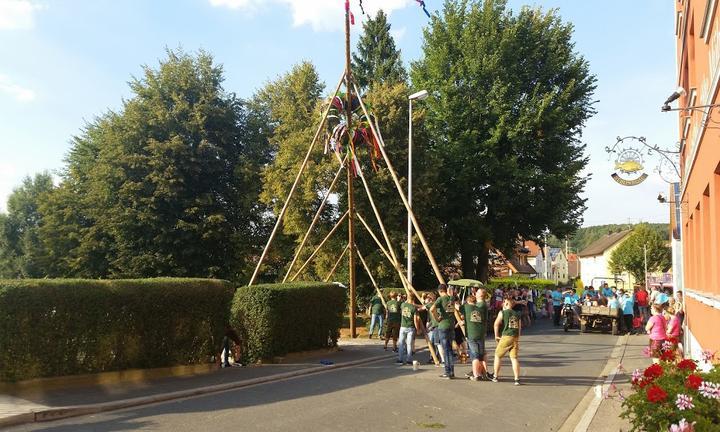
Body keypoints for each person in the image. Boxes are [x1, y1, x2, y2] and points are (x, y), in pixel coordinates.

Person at [430, 284, 462, 379]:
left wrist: (437, 318)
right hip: (451, 326)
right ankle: (451, 371)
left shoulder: (440, 299)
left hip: (443, 325)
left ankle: (448, 372)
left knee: (446, 349)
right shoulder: (451, 298)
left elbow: (432, 309)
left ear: (439, 291)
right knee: (450, 350)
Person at [492, 296, 522, 385]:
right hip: (515, 337)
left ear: (507, 303)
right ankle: (516, 379)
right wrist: (517, 337)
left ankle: (495, 376)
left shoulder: (502, 313)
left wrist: (496, 335)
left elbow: (496, 324)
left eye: (505, 302)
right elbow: (520, 327)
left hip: (506, 336)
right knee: (514, 358)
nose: (504, 303)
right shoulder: (517, 314)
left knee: (498, 356)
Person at [463, 289, 490, 381]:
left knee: (476, 354)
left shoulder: (480, 305)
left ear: (480, 295)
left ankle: (478, 373)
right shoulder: (480, 305)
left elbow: (469, 310)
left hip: (474, 333)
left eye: (477, 292)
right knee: (480, 353)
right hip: (480, 332)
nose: (474, 293)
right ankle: (481, 371)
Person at [397, 293, 422, 365]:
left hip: (403, 326)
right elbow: (415, 320)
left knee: (401, 344)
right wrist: (418, 329)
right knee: (409, 344)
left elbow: (403, 303)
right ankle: (409, 360)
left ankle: (400, 360)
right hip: (410, 327)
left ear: (407, 298)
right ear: (414, 299)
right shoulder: (413, 308)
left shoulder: (403, 305)